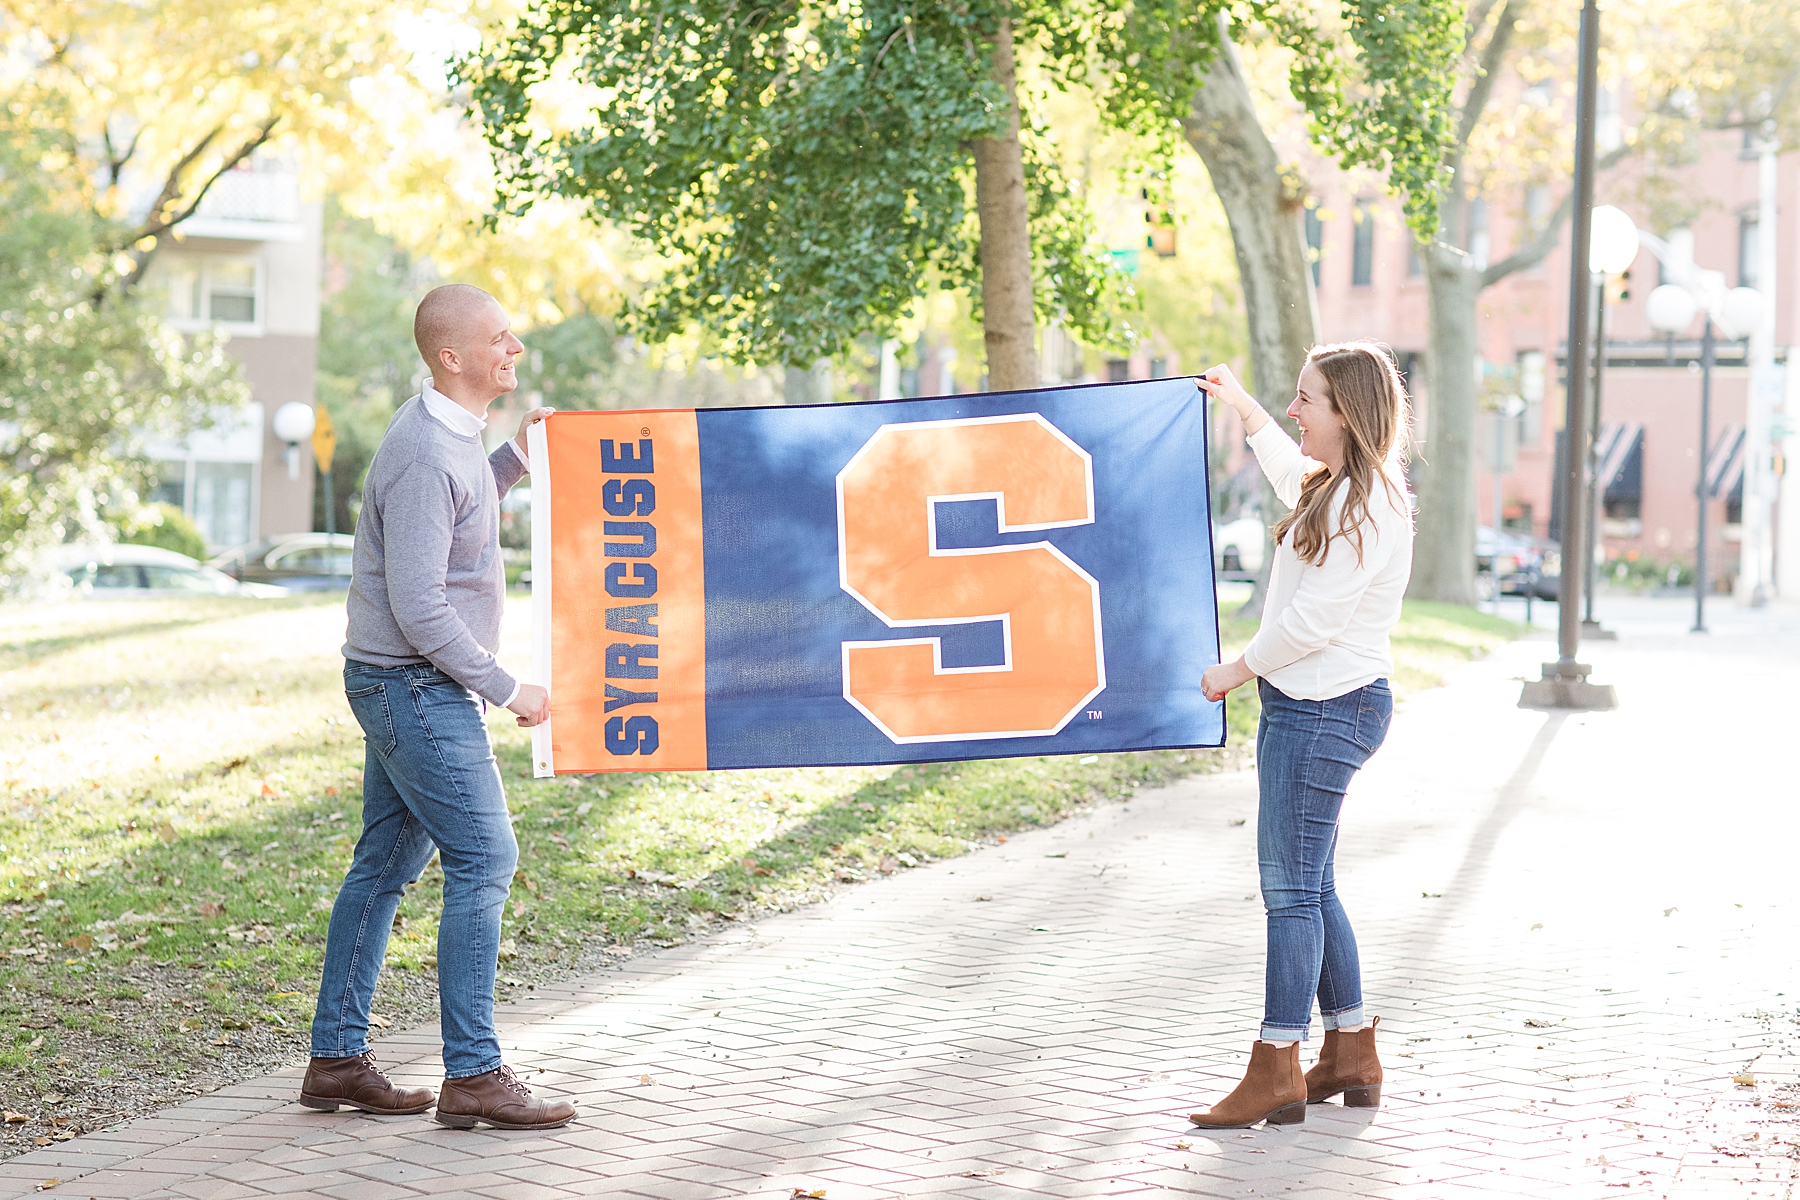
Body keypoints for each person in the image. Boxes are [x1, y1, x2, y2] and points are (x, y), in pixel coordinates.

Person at [301, 283, 575, 1131]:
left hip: (407, 681)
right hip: (410, 684)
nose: (516, 349)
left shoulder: (456, 439)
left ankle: (337, 1061)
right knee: (487, 857)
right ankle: (475, 1073)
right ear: (451, 357)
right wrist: (507, 686)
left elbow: (457, 515)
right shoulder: (424, 450)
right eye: (500, 338)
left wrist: (516, 462)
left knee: (383, 867)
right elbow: (420, 605)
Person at [1187, 343, 1415, 1130]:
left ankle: (1277, 1065)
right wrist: (1241, 405)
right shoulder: (1337, 489)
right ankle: (1350, 1051)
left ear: (1347, 413)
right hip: (1316, 705)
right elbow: (1288, 469)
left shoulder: (1370, 505)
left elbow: (1314, 621)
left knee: (1288, 893)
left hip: (1325, 707)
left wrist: (1234, 671)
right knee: (1310, 886)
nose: (1295, 410)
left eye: (1306, 400)